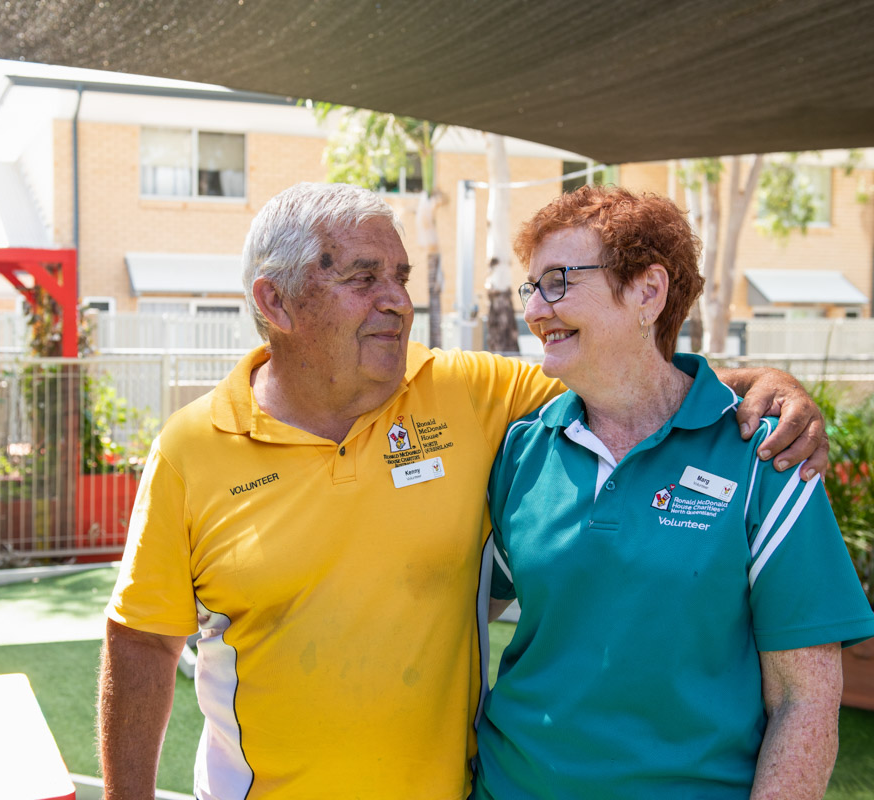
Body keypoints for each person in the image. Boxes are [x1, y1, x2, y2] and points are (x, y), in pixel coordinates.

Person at [98, 182, 829, 800]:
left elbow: (635, 375)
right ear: (276, 303)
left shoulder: (467, 393)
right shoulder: (192, 447)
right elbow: (138, 642)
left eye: (401, 277)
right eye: (362, 278)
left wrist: (765, 385)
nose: (397, 302)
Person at [475, 185, 874, 800]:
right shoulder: (522, 450)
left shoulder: (765, 457)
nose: (535, 309)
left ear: (648, 292)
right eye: (532, 286)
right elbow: (470, 615)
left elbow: (804, 702)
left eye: (558, 280)